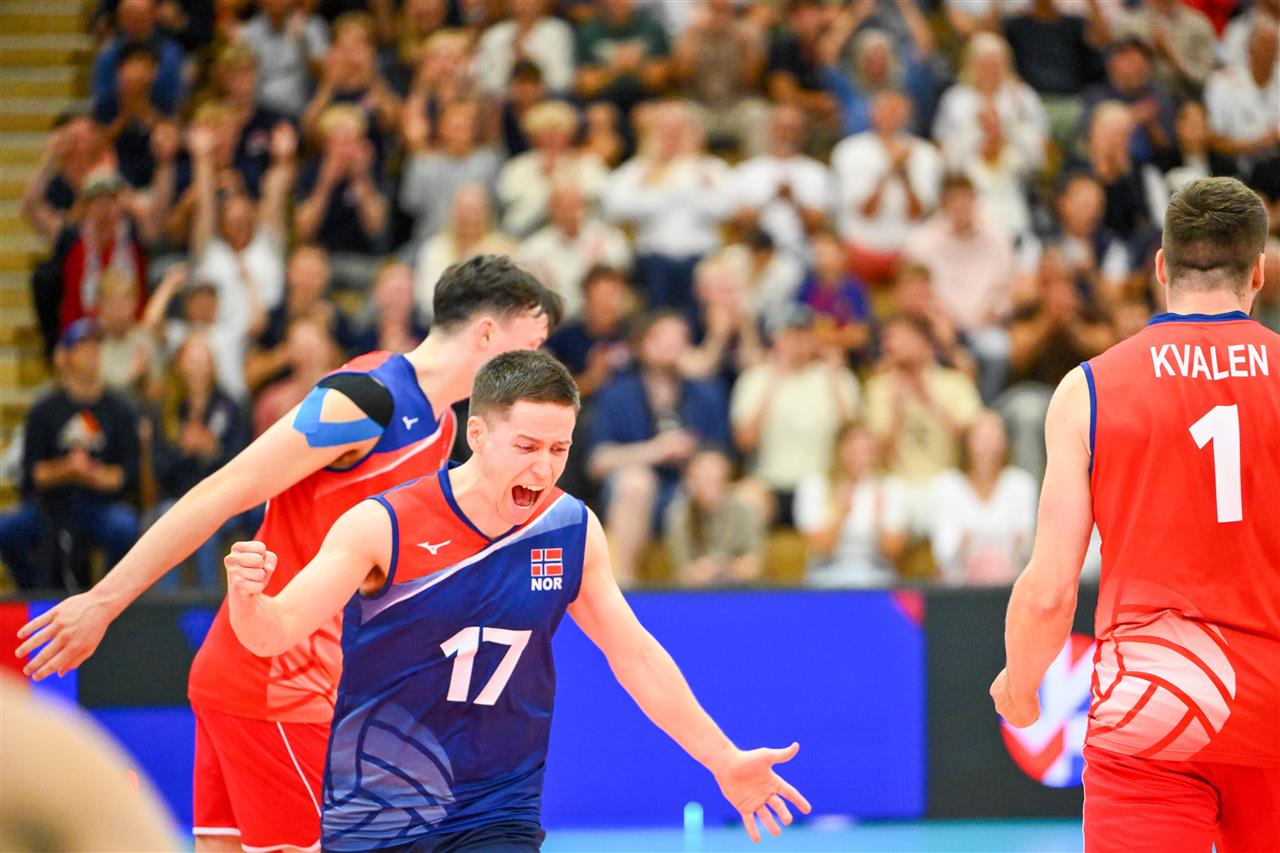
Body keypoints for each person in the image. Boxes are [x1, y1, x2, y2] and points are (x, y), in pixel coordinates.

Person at [16, 257, 561, 853]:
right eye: (531, 346)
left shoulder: (443, 428)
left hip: (286, 683)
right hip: (278, 685)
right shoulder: (362, 401)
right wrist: (102, 601)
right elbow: (220, 493)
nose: (539, 366)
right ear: (487, 333)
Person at [222, 350, 810, 850]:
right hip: (380, 803)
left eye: (559, 449)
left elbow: (635, 655)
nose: (543, 467)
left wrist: (722, 757)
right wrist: (249, 599)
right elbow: (274, 632)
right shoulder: (384, 523)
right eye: (526, 446)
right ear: (477, 434)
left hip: (497, 804)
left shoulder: (570, 530)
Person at [991, 177, 1279, 852]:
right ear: (1258, 273)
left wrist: (1021, 685)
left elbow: (1050, 589)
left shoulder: (1089, 389)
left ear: (1160, 267)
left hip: (1153, 702)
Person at [0, 320, 140, 592]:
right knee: (7, 529)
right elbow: (34, 473)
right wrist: (68, 468)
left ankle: (107, 596)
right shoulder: (44, 410)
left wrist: (90, 473)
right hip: (50, 505)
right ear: (64, 356)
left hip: (99, 505)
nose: (91, 353)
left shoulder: (119, 410)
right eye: (83, 347)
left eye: (96, 346)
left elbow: (124, 475)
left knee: (124, 526)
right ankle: (33, 593)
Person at [926, 410, 1037, 585]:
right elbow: (943, 553)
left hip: (1011, 588)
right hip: (959, 590)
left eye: (995, 438)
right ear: (966, 443)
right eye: (981, 439)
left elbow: (1030, 549)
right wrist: (962, 547)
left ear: (1005, 443)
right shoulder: (946, 486)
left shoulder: (1021, 484)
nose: (989, 447)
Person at [793, 421, 908, 588]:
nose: (861, 457)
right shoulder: (815, 485)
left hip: (875, 575)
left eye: (867, 450)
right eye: (854, 450)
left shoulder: (890, 487)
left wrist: (880, 519)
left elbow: (893, 551)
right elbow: (820, 547)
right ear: (839, 449)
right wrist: (841, 512)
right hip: (827, 575)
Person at [664, 445, 764, 587]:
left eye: (716, 477)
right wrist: (699, 571)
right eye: (704, 477)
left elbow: (754, 562)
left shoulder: (745, 510)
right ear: (690, 481)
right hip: (695, 593)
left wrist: (726, 568)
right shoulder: (679, 514)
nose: (711, 483)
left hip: (739, 590)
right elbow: (682, 569)